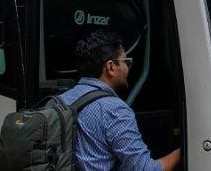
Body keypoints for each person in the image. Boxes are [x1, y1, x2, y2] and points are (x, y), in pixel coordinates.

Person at [60, 30, 181, 171]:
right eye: (126, 62)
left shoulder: (62, 99)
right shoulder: (114, 109)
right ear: (111, 67)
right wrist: (182, 151)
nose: (127, 68)